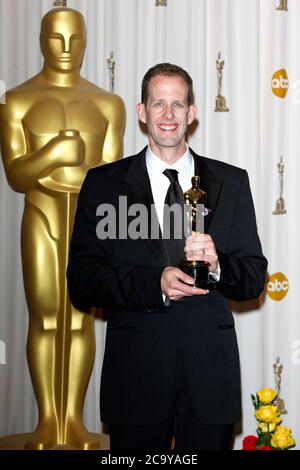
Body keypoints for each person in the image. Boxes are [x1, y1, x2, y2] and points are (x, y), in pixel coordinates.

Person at [67, 63, 267, 450]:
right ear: (142, 112)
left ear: (192, 114)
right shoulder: (104, 183)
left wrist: (219, 264)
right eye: (159, 103)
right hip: (136, 373)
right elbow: (82, 278)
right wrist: (152, 283)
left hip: (209, 373)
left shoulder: (232, 181)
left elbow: (254, 277)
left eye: (178, 104)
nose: (168, 115)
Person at [0, 7, 125, 449]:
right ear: (41, 39)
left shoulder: (108, 104)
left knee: (81, 323)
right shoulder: (18, 100)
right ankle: (46, 421)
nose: (67, 49)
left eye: (75, 39)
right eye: (57, 38)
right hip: (41, 219)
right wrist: (55, 152)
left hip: (89, 227)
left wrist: (60, 172)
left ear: (87, 40)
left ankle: (72, 420)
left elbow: (112, 178)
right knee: (45, 319)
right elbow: (16, 175)